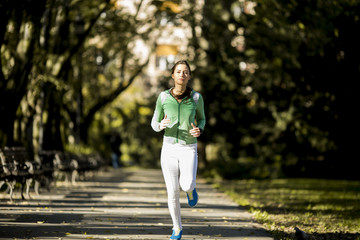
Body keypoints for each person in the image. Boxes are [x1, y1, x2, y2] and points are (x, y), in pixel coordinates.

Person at [151, 60, 206, 240]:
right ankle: (176, 228)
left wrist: (199, 130)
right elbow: (154, 122)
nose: (182, 74)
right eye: (179, 71)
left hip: (188, 147)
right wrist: (161, 125)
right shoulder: (163, 97)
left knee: (187, 184)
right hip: (168, 148)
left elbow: (203, 119)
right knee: (172, 191)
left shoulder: (196, 98)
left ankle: (191, 191)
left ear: (189, 76)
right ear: (173, 75)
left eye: (185, 72)